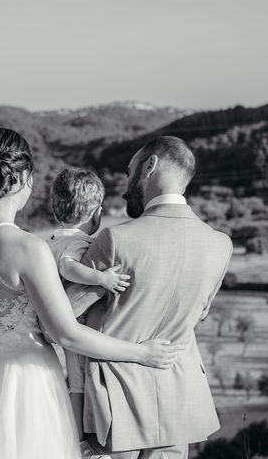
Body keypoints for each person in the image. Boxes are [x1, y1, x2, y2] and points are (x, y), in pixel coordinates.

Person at [0, 127, 181, 459]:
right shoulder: (26, 247)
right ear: (22, 177)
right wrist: (141, 353)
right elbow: (66, 333)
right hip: (25, 385)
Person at [69, 136, 234, 459]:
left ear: (150, 166)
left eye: (130, 172)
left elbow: (63, 316)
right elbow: (197, 315)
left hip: (116, 411)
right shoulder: (220, 245)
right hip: (177, 408)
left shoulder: (116, 239)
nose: (126, 185)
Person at [46, 168, 131, 458]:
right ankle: (79, 440)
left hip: (56, 319)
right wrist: (101, 279)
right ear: (96, 213)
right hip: (73, 323)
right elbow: (68, 267)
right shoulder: (77, 244)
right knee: (78, 382)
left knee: (75, 380)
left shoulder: (52, 239)